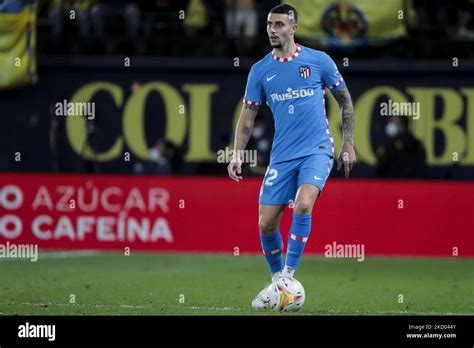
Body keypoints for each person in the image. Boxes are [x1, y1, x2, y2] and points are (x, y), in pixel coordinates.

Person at [227, 4, 356, 309]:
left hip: (317, 149)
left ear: (293, 28)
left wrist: (348, 143)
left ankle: (288, 276)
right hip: (282, 156)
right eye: (270, 24)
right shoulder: (260, 70)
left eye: (280, 24)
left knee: (304, 203)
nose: (273, 29)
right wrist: (236, 155)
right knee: (266, 225)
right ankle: (278, 284)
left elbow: (345, 102)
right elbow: (247, 119)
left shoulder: (318, 61)